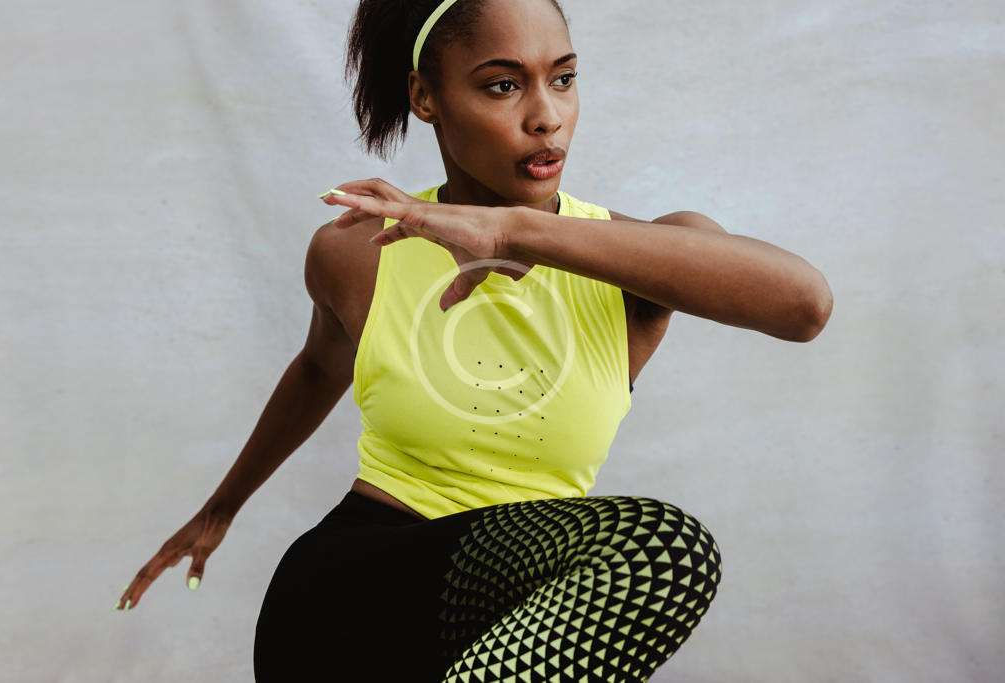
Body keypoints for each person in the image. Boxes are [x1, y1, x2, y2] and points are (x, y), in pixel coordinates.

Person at [115, 1, 833, 681]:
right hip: (350, 603)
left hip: (521, 621)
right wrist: (221, 507)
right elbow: (316, 369)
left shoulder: (643, 259)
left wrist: (515, 231)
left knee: (662, 553)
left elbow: (804, 305)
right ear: (426, 97)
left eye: (564, 79)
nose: (546, 117)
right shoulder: (359, 251)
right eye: (502, 85)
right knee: (665, 546)